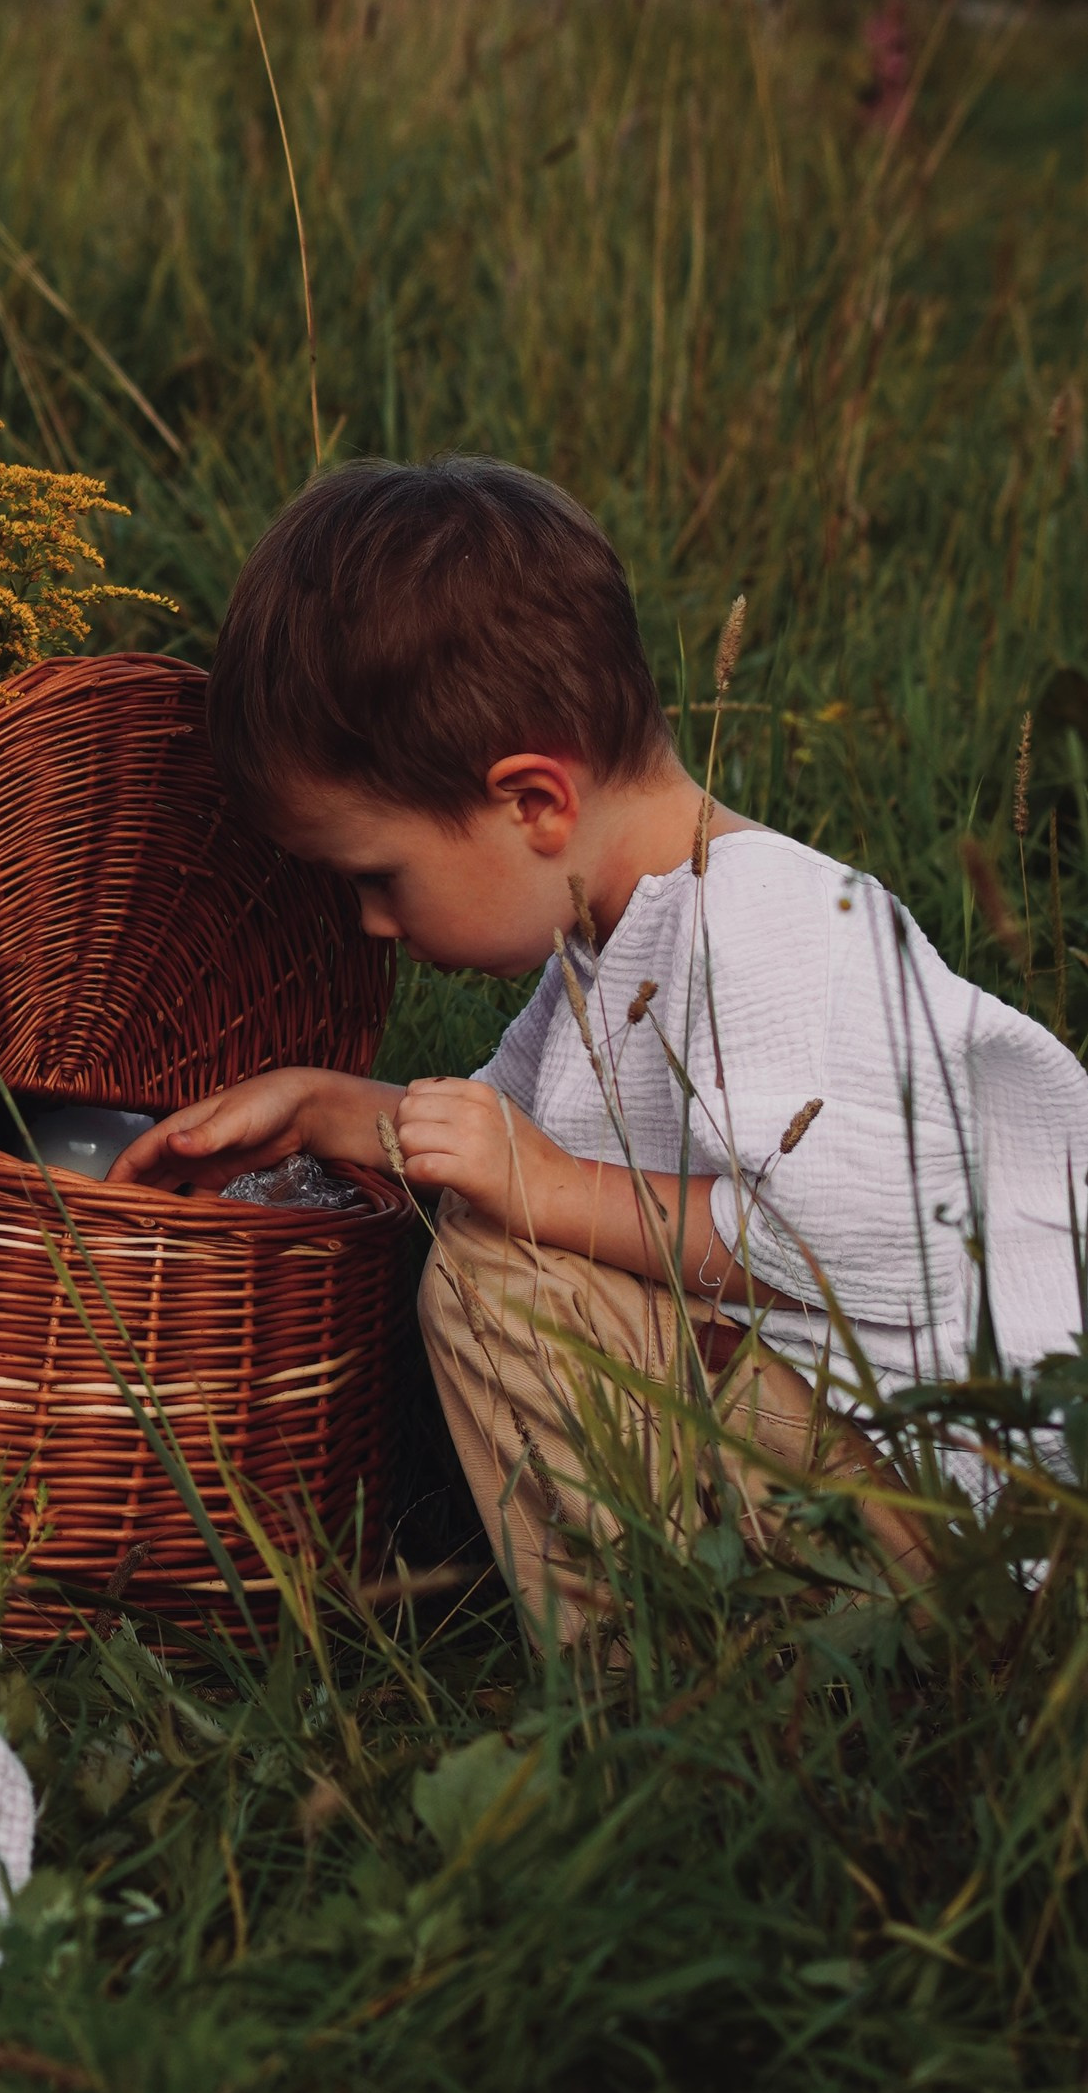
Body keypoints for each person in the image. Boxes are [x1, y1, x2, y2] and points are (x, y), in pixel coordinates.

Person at [113, 458, 1088, 1629]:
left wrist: (557, 1188)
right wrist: (320, 1109)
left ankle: (654, 1692)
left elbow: (858, 1243)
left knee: (493, 1281)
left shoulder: (769, 931)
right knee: (494, 1228)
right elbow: (480, 1135)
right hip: (858, 1461)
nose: (372, 922)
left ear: (533, 802)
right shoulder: (610, 946)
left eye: (379, 876)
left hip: (972, 1518)